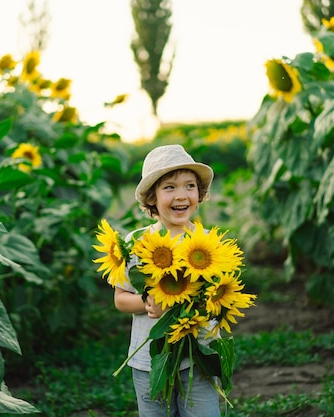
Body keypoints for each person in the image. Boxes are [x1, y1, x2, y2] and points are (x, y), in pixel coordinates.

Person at [114, 144, 221, 417]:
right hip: (149, 359)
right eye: (169, 188)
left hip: (199, 356)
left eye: (189, 186)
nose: (181, 195)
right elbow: (120, 299)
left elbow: (218, 300)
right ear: (152, 198)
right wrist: (148, 301)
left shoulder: (209, 246)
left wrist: (191, 305)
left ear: (199, 193)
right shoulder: (136, 244)